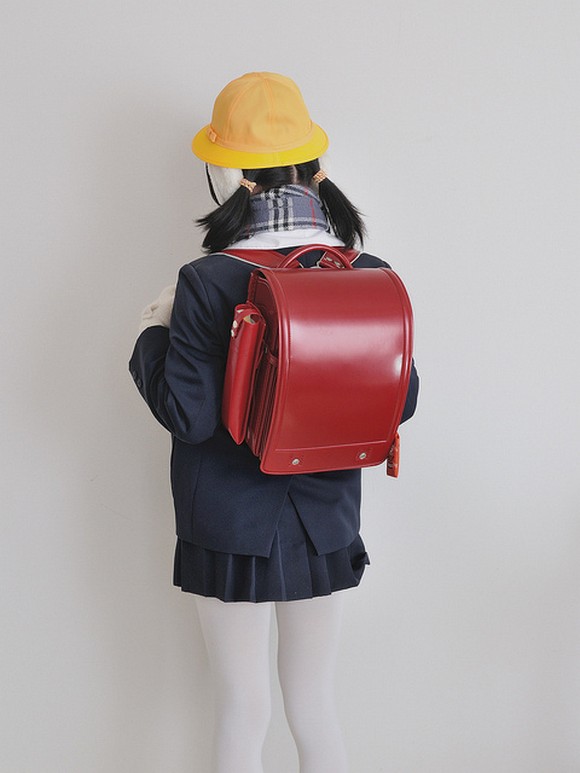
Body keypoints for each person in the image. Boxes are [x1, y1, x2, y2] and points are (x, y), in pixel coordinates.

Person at [129, 72, 419, 773]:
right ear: (316, 167)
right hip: (325, 520)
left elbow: (189, 415)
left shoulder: (205, 280)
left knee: (242, 708)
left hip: (228, 523)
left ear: (233, 177)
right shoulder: (368, 271)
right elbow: (401, 401)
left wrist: (152, 332)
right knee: (314, 705)